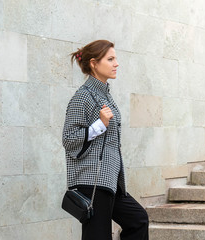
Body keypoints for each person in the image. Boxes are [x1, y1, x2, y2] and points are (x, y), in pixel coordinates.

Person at [62, 40, 149, 240]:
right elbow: (68, 139)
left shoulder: (104, 95)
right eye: (110, 59)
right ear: (94, 63)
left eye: (115, 58)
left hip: (110, 181)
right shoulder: (82, 97)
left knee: (138, 220)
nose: (116, 63)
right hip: (92, 182)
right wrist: (99, 125)